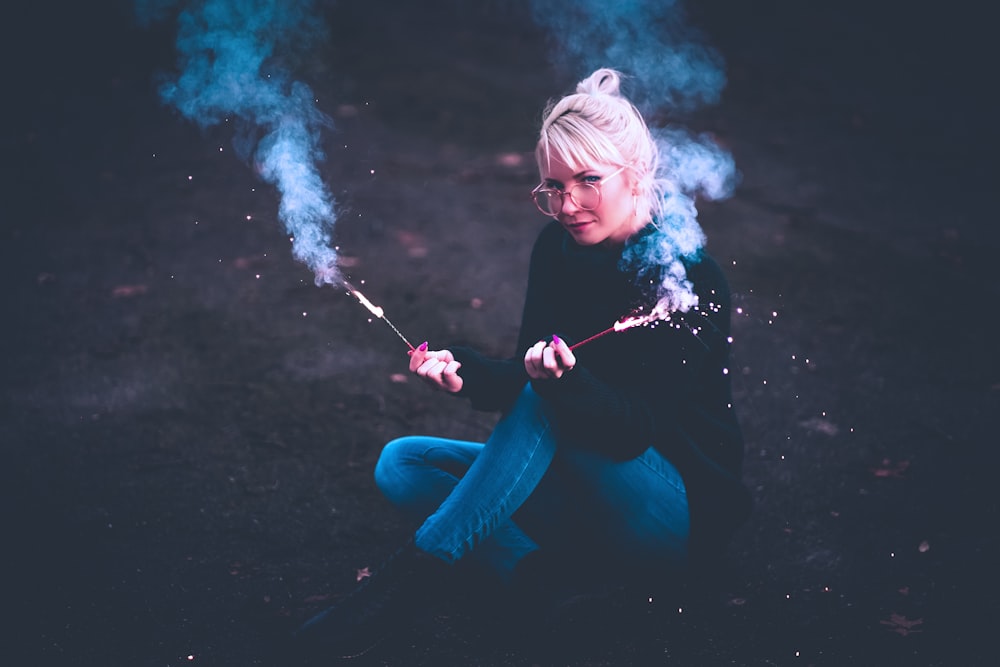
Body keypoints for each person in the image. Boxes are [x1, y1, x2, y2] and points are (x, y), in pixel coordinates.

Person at [293, 68, 751, 659]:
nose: (568, 204)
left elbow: (633, 427)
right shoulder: (558, 249)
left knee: (547, 397)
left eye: (588, 180)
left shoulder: (686, 278)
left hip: (673, 515)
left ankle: (406, 586)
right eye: (552, 188)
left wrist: (563, 384)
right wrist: (468, 374)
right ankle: (539, 582)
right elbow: (525, 372)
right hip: (584, 491)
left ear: (636, 174)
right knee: (402, 464)